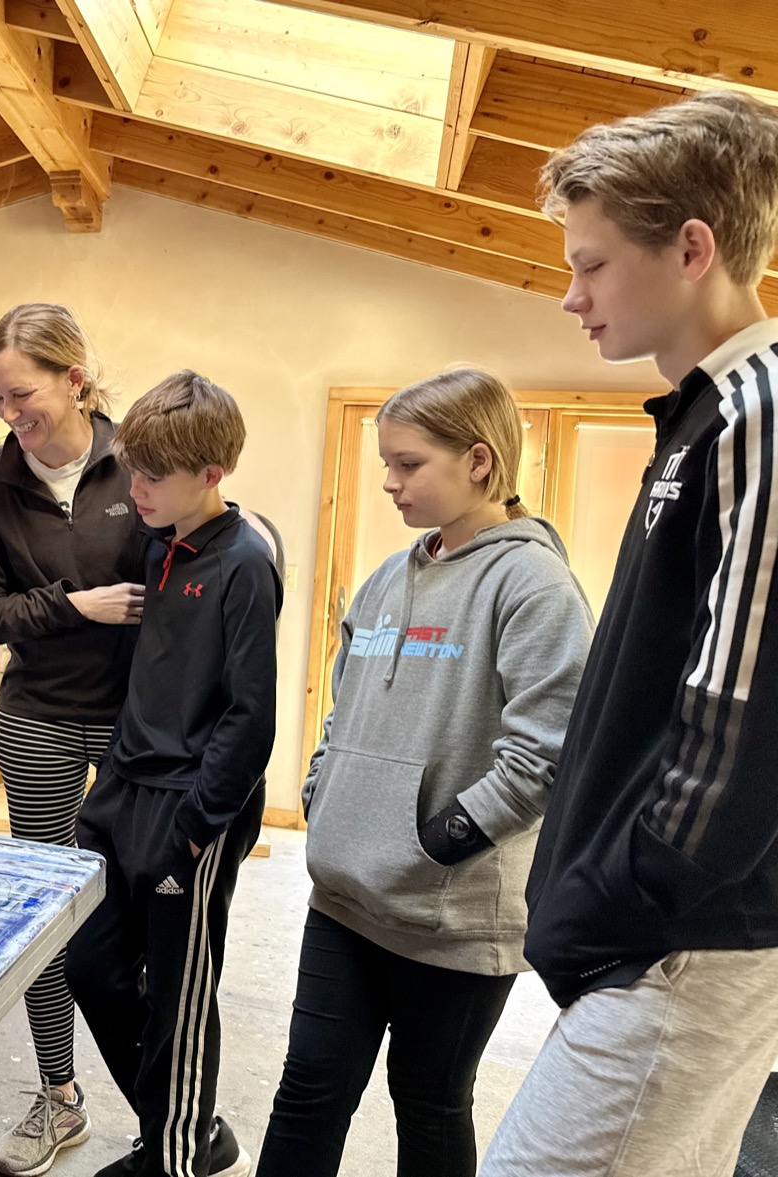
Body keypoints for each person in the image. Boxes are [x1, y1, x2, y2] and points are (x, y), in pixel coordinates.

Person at [480, 90, 778, 1176]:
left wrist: (631, 896)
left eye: (592, 264)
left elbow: (736, 706)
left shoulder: (758, 411)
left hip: (682, 941)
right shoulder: (701, 414)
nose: (571, 296)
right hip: (662, 939)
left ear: (691, 247)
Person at [255, 369, 593, 1177]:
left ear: (479, 461)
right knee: (308, 1089)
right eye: (385, 461)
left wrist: (436, 841)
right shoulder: (385, 579)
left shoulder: (534, 586)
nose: (388, 480)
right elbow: (343, 707)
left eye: (409, 463)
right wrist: (322, 791)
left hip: (453, 920)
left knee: (429, 1102)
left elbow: (548, 749)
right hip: (343, 899)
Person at [64, 370, 281, 1177]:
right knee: (88, 963)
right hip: (122, 793)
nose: (137, 488)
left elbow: (250, 713)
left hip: (192, 808)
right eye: (133, 469)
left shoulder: (245, 565)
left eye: (155, 476)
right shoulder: (158, 547)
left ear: (212, 474)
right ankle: (184, 1127)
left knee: (180, 998)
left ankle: (177, 1155)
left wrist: (199, 824)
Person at [0, 303, 148, 1176]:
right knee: (45, 915)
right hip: (36, 718)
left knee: (142, 913)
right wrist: (75, 605)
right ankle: (58, 1096)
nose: (10, 415)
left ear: (76, 379)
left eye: (22, 394)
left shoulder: (140, 458)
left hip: (132, 722)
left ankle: (164, 1104)